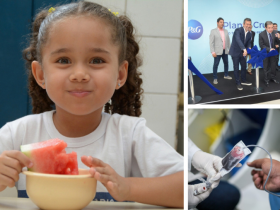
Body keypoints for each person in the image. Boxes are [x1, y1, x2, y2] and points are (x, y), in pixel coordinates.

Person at [0, 2, 184, 208]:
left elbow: (187, 187)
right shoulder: (17, 134)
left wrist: (128, 188)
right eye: (63, 60)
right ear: (40, 74)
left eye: (96, 60)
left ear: (120, 74)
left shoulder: (130, 134)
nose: (80, 74)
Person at [188, 138, 241, 210]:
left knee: (231, 191)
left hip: (190, 176)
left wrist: (196, 155)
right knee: (230, 195)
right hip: (186, 183)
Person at [229, 18, 252, 91]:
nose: (248, 25)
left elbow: (248, 42)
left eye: (249, 24)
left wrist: (249, 48)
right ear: (243, 24)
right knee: (236, 68)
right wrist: (244, 49)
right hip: (235, 52)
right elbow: (238, 40)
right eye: (247, 24)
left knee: (244, 67)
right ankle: (238, 83)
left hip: (243, 53)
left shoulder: (249, 33)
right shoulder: (238, 30)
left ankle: (244, 80)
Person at [209, 17, 231, 85]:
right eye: (221, 22)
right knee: (216, 65)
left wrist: (229, 49)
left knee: (226, 63)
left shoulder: (226, 31)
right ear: (217, 23)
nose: (222, 23)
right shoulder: (213, 31)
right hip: (217, 51)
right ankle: (215, 78)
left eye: (223, 22)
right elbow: (211, 42)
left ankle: (226, 75)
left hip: (225, 51)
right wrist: (213, 52)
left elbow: (228, 41)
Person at [259, 21, 280, 87]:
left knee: (273, 66)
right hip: (265, 53)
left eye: (272, 27)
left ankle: (273, 78)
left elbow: (277, 42)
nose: (271, 29)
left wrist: (279, 38)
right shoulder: (261, 34)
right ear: (265, 27)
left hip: (273, 53)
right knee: (266, 67)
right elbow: (261, 45)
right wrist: (269, 49)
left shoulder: (275, 32)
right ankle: (266, 80)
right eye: (269, 28)